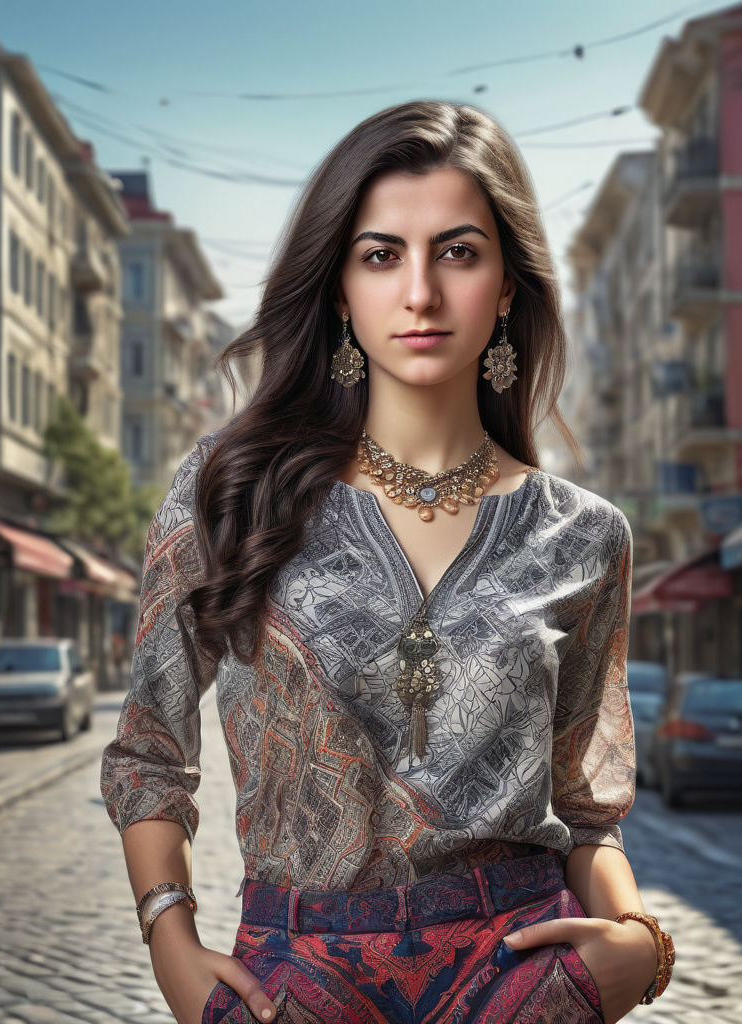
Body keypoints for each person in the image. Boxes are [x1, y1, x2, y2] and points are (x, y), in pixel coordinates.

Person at [100, 100, 675, 1024]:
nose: (420, 293)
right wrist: (170, 937)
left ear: (507, 286)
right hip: (296, 975)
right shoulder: (228, 488)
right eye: (381, 256)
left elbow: (588, 811)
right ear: (338, 288)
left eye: (458, 251)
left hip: (521, 973)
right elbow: (149, 752)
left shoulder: (586, 535)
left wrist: (640, 944)